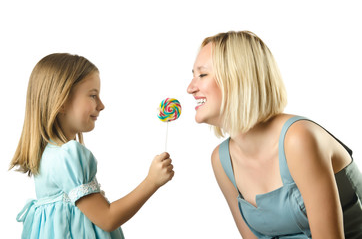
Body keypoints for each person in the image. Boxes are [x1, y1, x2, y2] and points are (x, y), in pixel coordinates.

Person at [187, 31, 362, 238]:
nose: (190, 88)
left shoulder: (298, 139)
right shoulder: (222, 161)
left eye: (202, 75)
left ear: (238, 78)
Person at [10, 53, 174, 239]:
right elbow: (107, 218)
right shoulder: (68, 155)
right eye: (93, 95)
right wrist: (152, 181)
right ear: (62, 102)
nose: (101, 105)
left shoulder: (47, 154)